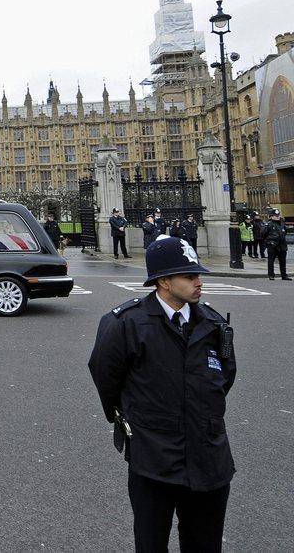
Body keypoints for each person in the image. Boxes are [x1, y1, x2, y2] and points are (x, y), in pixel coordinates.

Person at [88, 236, 237, 552]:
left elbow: (224, 378)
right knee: (151, 544)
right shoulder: (127, 324)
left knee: (205, 544)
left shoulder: (213, 324)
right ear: (164, 281)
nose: (199, 282)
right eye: (189, 276)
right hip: (154, 460)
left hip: (208, 459)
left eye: (198, 274)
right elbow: (105, 374)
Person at [262, 208, 290, 281]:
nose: (277, 216)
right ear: (271, 216)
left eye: (278, 215)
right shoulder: (268, 224)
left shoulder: (282, 224)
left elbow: (285, 232)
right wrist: (269, 242)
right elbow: (263, 234)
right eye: (275, 215)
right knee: (271, 261)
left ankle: (284, 275)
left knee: (283, 261)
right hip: (272, 245)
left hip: (282, 244)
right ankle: (271, 275)